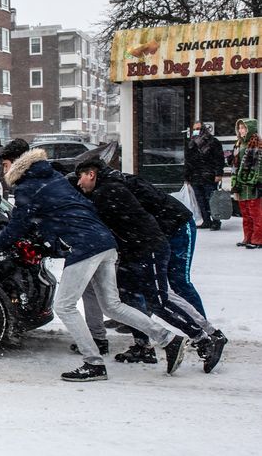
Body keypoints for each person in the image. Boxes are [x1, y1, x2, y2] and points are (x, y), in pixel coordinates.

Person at [0, 147, 188, 382]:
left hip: (84, 246)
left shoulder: (28, 187)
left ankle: (94, 363)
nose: (3, 170)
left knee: (65, 306)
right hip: (105, 242)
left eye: (5, 166)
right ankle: (169, 340)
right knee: (112, 306)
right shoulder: (55, 178)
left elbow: (18, 225)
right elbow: (72, 210)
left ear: (17, 167)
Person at [75, 159, 225, 373]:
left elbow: (137, 219)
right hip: (138, 248)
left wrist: (148, 243)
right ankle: (144, 345)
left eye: (81, 177)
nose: (80, 184)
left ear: (91, 174)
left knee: (169, 292)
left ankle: (207, 336)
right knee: (128, 295)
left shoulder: (110, 190)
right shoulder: (109, 186)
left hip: (163, 237)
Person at [185, 122, 225, 230]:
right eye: (195, 129)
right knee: (200, 200)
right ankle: (206, 220)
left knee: (212, 199)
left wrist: (218, 173)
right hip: (195, 176)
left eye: (198, 128)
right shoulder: (191, 143)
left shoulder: (213, 142)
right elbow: (188, 161)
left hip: (209, 175)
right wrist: (187, 177)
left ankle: (216, 221)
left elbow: (219, 159)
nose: (196, 130)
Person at [230, 118, 261, 248]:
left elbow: (259, 166)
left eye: (244, 128)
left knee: (256, 213)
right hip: (241, 184)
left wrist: (257, 181)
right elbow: (235, 164)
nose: (242, 131)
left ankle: (258, 239)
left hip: (253, 185)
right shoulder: (238, 144)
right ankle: (247, 237)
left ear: (250, 129)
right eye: (240, 128)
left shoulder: (257, 145)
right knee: (245, 213)